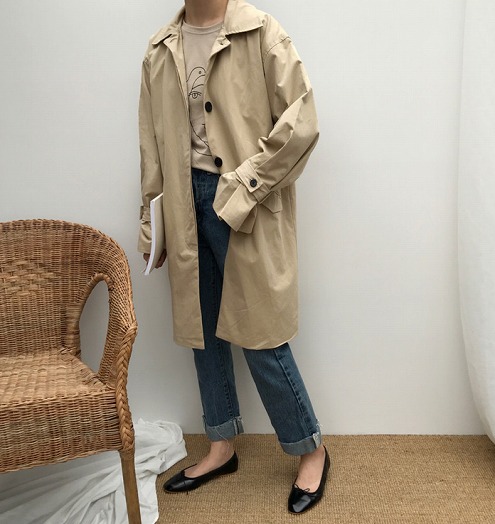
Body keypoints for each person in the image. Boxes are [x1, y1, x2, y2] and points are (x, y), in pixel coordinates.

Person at [138, 0, 329, 514]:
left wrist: (245, 186)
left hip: (244, 202)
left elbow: (302, 122)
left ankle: (310, 447)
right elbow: (152, 146)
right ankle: (221, 443)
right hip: (183, 204)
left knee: (261, 334)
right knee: (202, 331)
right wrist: (152, 222)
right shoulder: (160, 49)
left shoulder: (261, 32)